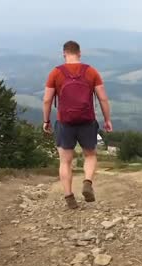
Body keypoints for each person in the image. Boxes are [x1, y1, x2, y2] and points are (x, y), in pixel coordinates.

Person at [43, 40, 113, 209]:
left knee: (65, 161)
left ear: (64, 54)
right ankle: (87, 182)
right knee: (90, 155)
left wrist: (46, 121)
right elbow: (103, 98)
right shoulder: (91, 71)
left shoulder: (55, 73)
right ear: (80, 53)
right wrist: (107, 119)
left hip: (65, 122)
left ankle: (69, 198)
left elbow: (47, 100)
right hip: (87, 121)